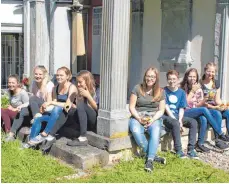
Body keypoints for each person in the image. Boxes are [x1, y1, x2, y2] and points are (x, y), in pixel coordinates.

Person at [23, 67, 77, 147]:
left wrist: (51, 102)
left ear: (67, 76)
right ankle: (31, 142)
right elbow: (53, 104)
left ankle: (45, 133)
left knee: (57, 108)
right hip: (56, 115)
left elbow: (68, 106)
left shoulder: (72, 87)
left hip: (67, 116)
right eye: (57, 75)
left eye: (61, 75)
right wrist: (43, 109)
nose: (58, 77)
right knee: (38, 118)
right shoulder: (55, 88)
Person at [180, 68, 229, 152]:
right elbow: (185, 103)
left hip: (196, 110)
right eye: (190, 76)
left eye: (194, 77)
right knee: (203, 110)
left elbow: (199, 104)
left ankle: (200, 144)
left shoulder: (198, 88)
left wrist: (204, 100)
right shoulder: (182, 88)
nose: (192, 78)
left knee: (206, 117)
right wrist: (192, 91)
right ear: (186, 77)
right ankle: (220, 133)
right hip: (184, 111)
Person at [128, 67, 166, 172]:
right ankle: (154, 156)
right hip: (138, 115)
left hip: (153, 117)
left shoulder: (160, 91)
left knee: (155, 132)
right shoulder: (137, 88)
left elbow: (161, 110)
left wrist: (153, 119)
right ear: (145, 76)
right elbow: (131, 107)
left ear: (156, 78)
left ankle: (149, 161)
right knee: (136, 131)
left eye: (153, 76)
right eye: (148, 76)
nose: (150, 78)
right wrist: (139, 118)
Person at [5, 65, 54, 142]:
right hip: (36, 109)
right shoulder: (34, 83)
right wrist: (21, 106)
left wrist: (43, 86)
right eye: (36, 74)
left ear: (44, 75)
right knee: (22, 110)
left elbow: (49, 103)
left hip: (45, 109)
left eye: (40, 74)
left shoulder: (49, 84)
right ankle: (11, 134)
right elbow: (31, 102)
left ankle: (35, 119)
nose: (37, 76)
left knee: (32, 98)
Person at [162, 70, 199, 159]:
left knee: (193, 122)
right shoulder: (164, 91)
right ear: (167, 80)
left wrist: (180, 119)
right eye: (170, 79)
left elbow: (181, 108)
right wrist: (176, 121)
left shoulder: (181, 92)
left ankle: (191, 149)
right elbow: (166, 107)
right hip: (167, 115)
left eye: (174, 79)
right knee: (175, 123)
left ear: (178, 79)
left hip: (178, 115)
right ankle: (178, 150)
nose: (172, 81)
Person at [67, 70, 99, 146]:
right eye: (77, 82)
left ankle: (83, 138)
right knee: (69, 110)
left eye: (80, 82)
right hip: (83, 121)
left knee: (81, 105)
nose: (78, 84)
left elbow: (98, 109)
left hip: (94, 120)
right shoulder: (79, 90)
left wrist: (88, 96)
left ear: (87, 81)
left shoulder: (98, 90)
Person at [200, 62, 229, 145]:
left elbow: (217, 100)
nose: (211, 74)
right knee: (217, 114)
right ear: (205, 71)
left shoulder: (216, 83)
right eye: (209, 71)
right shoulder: (200, 84)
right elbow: (202, 102)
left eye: (213, 72)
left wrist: (223, 105)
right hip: (205, 108)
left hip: (214, 106)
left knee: (228, 113)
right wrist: (215, 108)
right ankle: (218, 140)